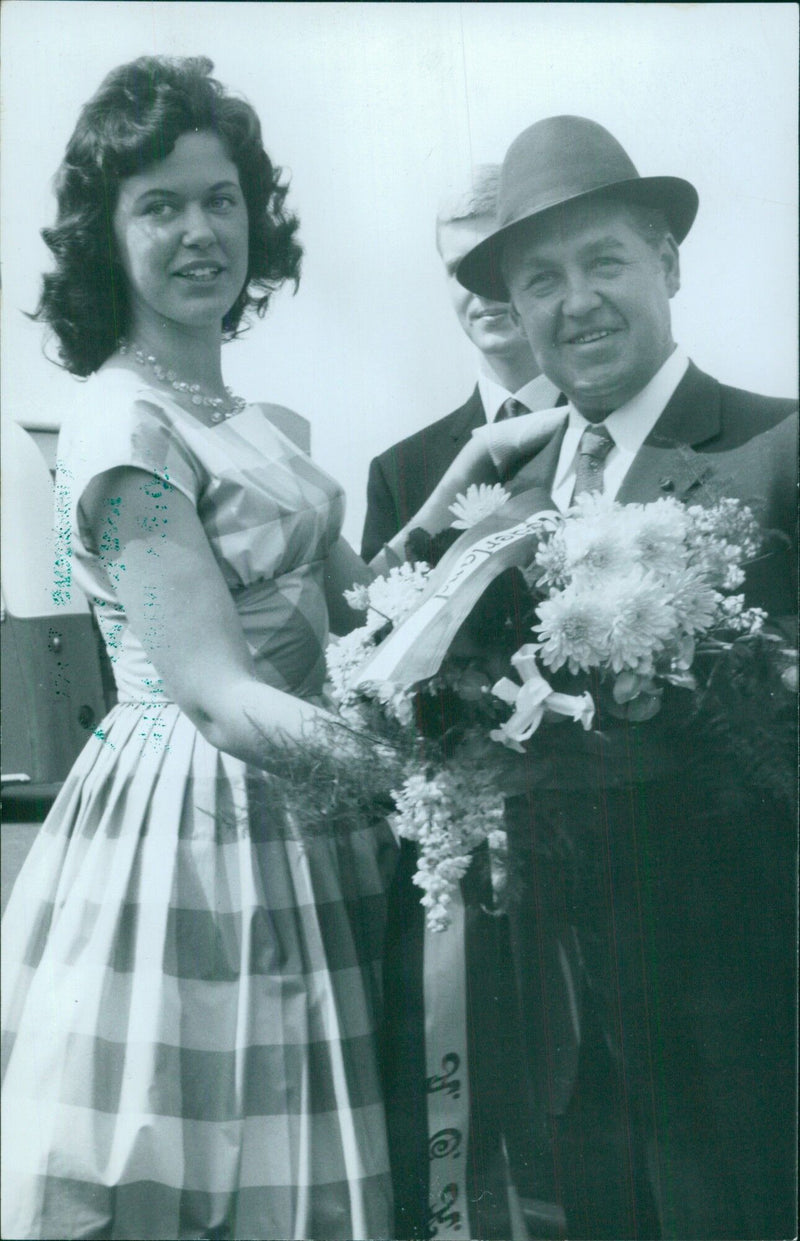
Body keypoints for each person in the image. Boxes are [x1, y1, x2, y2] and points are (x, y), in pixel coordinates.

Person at [0, 57, 554, 1241]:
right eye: (160, 206)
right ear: (105, 236)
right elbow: (214, 692)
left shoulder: (248, 416)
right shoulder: (120, 419)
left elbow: (352, 618)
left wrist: (460, 485)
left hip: (309, 799)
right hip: (207, 817)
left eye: (221, 199)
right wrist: (420, 784)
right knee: (218, 1160)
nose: (201, 231)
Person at [457, 115, 798, 1239]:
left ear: (668, 262)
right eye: (539, 280)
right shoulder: (498, 512)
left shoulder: (771, 452)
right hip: (562, 1021)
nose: (574, 302)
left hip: (743, 1021)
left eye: (603, 260)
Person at [362, 169, 572, 1241]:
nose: (488, 290)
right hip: (459, 880)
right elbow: (367, 669)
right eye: (464, 270)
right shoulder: (404, 472)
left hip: (598, 875)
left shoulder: (625, 441)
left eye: (507, 260)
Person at [360, 165, 560, 565]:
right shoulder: (399, 469)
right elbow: (374, 622)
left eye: (494, 262)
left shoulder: (610, 429)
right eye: (459, 270)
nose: (479, 289)